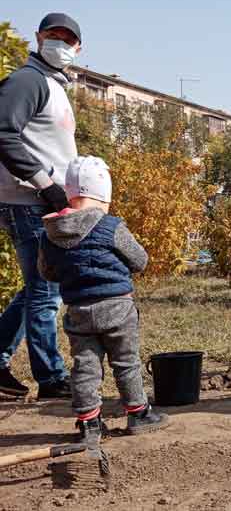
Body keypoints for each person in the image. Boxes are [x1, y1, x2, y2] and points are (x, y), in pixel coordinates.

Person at [38, 156, 169, 443]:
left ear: (70, 193)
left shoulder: (51, 234)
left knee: (85, 366)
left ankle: (89, 424)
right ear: (103, 195)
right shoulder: (111, 227)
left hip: (78, 310)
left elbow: (47, 272)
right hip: (117, 308)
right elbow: (140, 260)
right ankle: (138, 413)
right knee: (126, 362)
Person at [0, 13, 83, 399]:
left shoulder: (53, 84)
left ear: (77, 48)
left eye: (67, 39)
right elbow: (3, 134)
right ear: (38, 37)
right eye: (53, 36)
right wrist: (45, 184)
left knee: (37, 287)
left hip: (41, 201)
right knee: (46, 291)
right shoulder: (27, 80)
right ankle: (50, 378)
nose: (60, 44)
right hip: (29, 202)